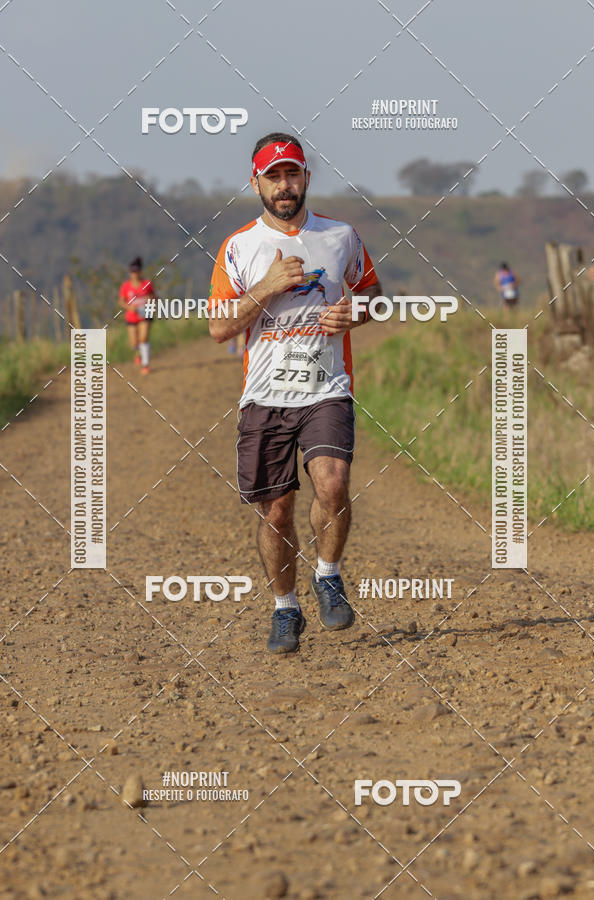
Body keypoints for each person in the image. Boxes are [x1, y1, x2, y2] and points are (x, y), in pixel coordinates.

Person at [208, 132, 382, 654]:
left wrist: (357, 312)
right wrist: (264, 288)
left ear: (307, 176)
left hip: (325, 387)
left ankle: (327, 574)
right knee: (277, 511)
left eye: (293, 174)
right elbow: (219, 328)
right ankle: (286, 608)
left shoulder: (342, 235)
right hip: (264, 396)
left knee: (333, 483)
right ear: (256, 182)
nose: (284, 186)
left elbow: (373, 292)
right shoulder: (238, 247)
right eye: (273, 176)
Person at [118, 256, 155, 374]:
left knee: (143, 338)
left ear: (140, 272)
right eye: (132, 272)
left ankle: (145, 364)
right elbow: (121, 301)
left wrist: (150, 300)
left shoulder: (147, 284)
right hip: (131, 316)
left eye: (136, 271)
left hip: (145, 314)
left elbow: (154, 297)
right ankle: (138, 353)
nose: (134, 274)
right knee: (134, 343)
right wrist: (129, 307)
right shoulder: (125, 286)